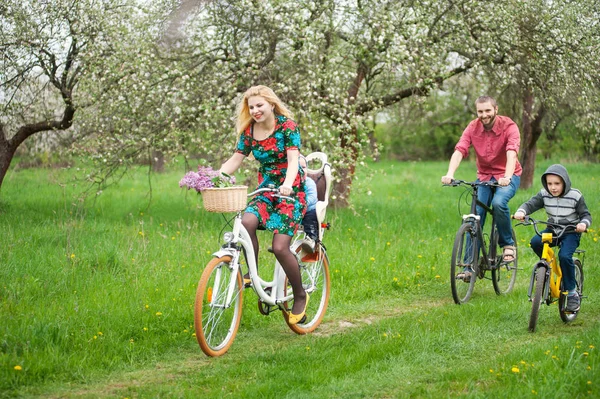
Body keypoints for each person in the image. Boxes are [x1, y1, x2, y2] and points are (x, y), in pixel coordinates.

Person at [219, 85, 309, 324]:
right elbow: (236, 159)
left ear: (271, 104)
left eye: (260, 105)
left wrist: (288, 184)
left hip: (291, 191)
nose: (255, 110)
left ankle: (299, 295)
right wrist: (215, 178)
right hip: (267, 189)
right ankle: (252, 274)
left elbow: (292, 161)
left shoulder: (287, 127)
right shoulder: (249, 131)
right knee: (246, 222)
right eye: (251, 107)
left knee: (280, 247)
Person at [441, 96, 522, 280]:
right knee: (474, 216)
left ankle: (507, 244)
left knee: (499, 202)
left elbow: (511, 153)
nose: (484, 115)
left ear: (495, 109)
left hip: (507, 175)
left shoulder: (509, 126)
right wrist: (450, 173)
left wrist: (507, 177)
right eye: (480, 111)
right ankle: (469, 267)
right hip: (484, 176)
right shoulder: (472, 127)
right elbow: (460, 149)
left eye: (487, 111)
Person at [513, 164, 592, 312]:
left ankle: (572, 292)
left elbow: (586, 215)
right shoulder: (544, 194)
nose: (553, 187)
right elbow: (530, 204)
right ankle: (546, 269)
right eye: (550, 184)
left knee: (564, 256)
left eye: (557, 183)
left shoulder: (575, 196)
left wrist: (583, 223)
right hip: (553, 230)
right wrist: (521, 211)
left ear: (565, 182)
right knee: (535, 242)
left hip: (571, 232)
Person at [299, 155, 319, 243]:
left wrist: (303, 202)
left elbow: (312, 197)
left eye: (303, 167)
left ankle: (311, 239)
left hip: (309, 209)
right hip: (294, 210)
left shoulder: (309, 182)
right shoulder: (288, 184)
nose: (301, 170)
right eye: (298, 167)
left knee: (310, 220)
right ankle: (283, 244)